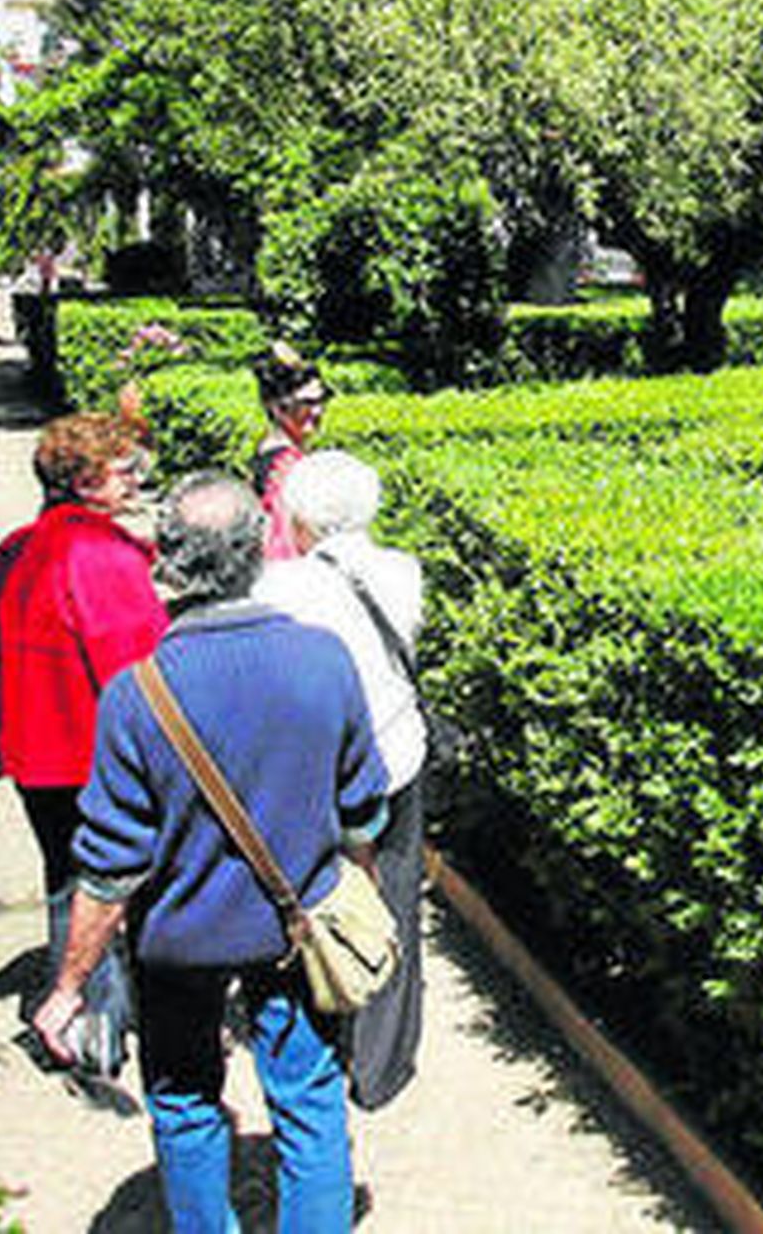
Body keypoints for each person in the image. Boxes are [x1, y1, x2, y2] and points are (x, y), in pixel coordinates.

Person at [33, 472, 388, 1232]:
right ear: (258, 551)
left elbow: (110, 867)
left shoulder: (136, 692)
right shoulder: (323, 659)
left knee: (185, 1099)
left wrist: (68, 986)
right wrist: (359, 894)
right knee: (310, 1100)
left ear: (166, 560)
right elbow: (362, 809)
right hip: (296, 929)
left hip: (178, 942)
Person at [0, 408, 169, 1071]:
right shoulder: (104, 557)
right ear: (84, 482)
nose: (135, 480)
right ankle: (99, 1028)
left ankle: (78, 1029)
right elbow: (136, 671)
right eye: (123, 470)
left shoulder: (12, 550)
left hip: (33, 755)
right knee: (113, 885)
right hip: (96, 755)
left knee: (64, 877)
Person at [253, 450, 427, 1112]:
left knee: (313, 896)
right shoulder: (403, 571)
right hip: (396, 754)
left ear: (297, 516)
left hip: (315, 770)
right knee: (395, 897)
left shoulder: (277, 587)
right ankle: (383, 1064)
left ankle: (324, 1026)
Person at [251, 341, 331, 560]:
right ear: (277, 407)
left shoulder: (270, 448)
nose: (317, 411)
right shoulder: (286, 467)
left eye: (322, 400)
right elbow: (282, 542)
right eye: (306, 403)